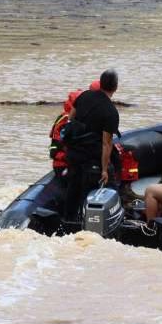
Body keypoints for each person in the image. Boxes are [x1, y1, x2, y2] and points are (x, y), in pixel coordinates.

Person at [63, 69, 120, 223]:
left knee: (73, 188)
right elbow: (106, 144)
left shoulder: (84, 96)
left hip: (74, 153)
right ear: (115, 88)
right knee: (108, 185)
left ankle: (68, 221)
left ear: (100, 83)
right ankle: (100, 220)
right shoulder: (111, 112)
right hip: (92, 158)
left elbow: (71, 117)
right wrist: (104, 170)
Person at [49, 90, 83, 178]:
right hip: (64, 163)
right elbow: (61, 143)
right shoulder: (67, 120)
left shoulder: (66, 117)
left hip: (64, 161)